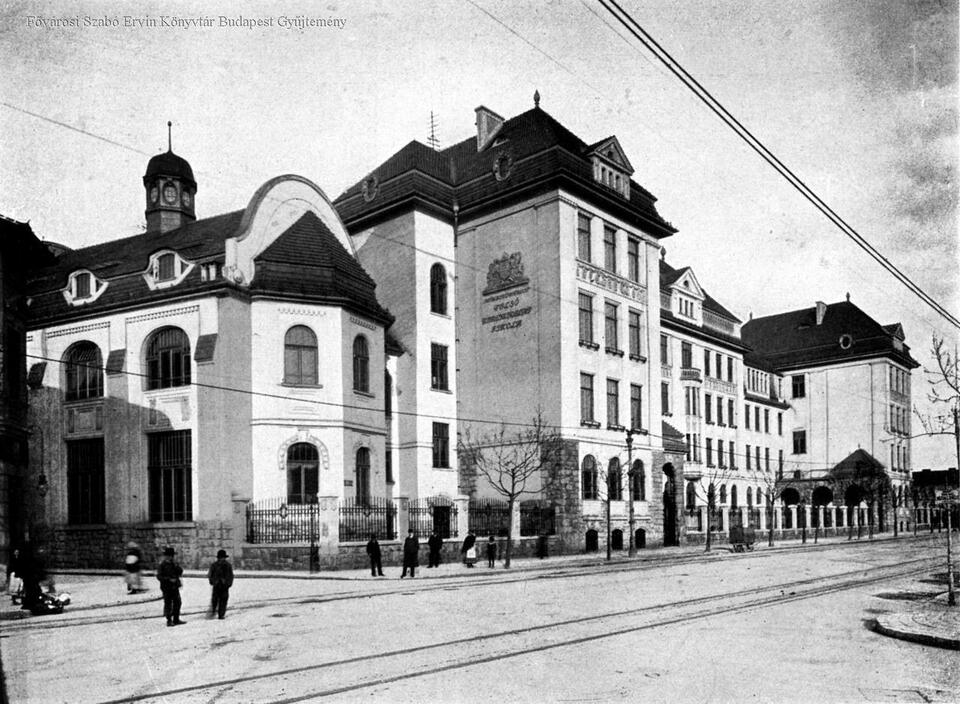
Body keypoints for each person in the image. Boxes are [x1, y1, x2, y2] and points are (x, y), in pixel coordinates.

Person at [157, 546, 185, 627]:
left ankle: (176, 619)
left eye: (171, 556)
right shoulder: (162, 565)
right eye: (168, 555)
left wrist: (176, 566)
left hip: (174, 586)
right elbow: (159, 576)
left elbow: (180, 572)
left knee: (177, 602)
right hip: (166, 587)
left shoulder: (174, 564)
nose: (170, 557)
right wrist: (168, 579)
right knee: (168, 603)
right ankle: (169, 620)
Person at [207, 549, 234, 620]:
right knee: (215, 599)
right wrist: (213, 581)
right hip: (216, 585)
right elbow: (210, 574)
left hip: (224, 586)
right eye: (221, 557)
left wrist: (228, 583)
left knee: (223, 600)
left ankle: (221, 614)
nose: (222, 559)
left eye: (223, 557)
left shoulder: (228, 566)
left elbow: (230, 576)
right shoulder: (214, 565)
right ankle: (213, 612)